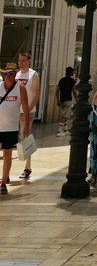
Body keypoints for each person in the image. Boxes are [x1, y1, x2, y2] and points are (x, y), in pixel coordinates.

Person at [0, 64, 29, 195]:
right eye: (6, 74)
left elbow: (25, 106)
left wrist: (26, 125)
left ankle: (3, 182)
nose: (9, 76)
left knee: (7, 154)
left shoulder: (20, 88)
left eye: (11, 73)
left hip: (10, 127)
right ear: (3, 75)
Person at [16, 51, 40, 181]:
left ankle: (27, 167)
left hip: (28, 111)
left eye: (23, 60)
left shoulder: (33, 74)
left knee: (25, 137)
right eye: (19, 60)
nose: (21, 63)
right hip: (15, 111)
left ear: (29, 61)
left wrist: (27, 111)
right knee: (19, 137)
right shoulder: (17, 75)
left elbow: (36, 95)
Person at [56, 67, 77, 135]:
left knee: (65, 114)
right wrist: (77, 99)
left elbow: (57, 91)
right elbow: (74, 91)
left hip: (62, 99)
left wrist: (58, 100)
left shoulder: (62, 80)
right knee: (65, 115)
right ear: (71, 73)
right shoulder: (72, 81)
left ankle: (65, 129)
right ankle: (60, 131)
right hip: (68, 99)